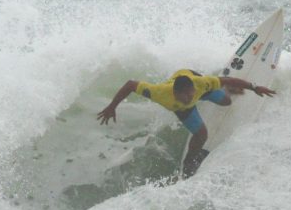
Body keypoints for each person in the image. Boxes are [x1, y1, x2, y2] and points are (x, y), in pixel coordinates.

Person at [97, 69, 275, 177]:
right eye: (186, 96)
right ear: (176, 93)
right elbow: (130, 84)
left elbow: (227, 79)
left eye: (191, 94)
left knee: (226, 101)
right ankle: (189, 162)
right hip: (182, 108)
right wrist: (112, 106)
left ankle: (226, 92)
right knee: (202, 134)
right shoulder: (159, 93)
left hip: (195, 81)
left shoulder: (200, 84)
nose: (190, 97)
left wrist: (253, 87)